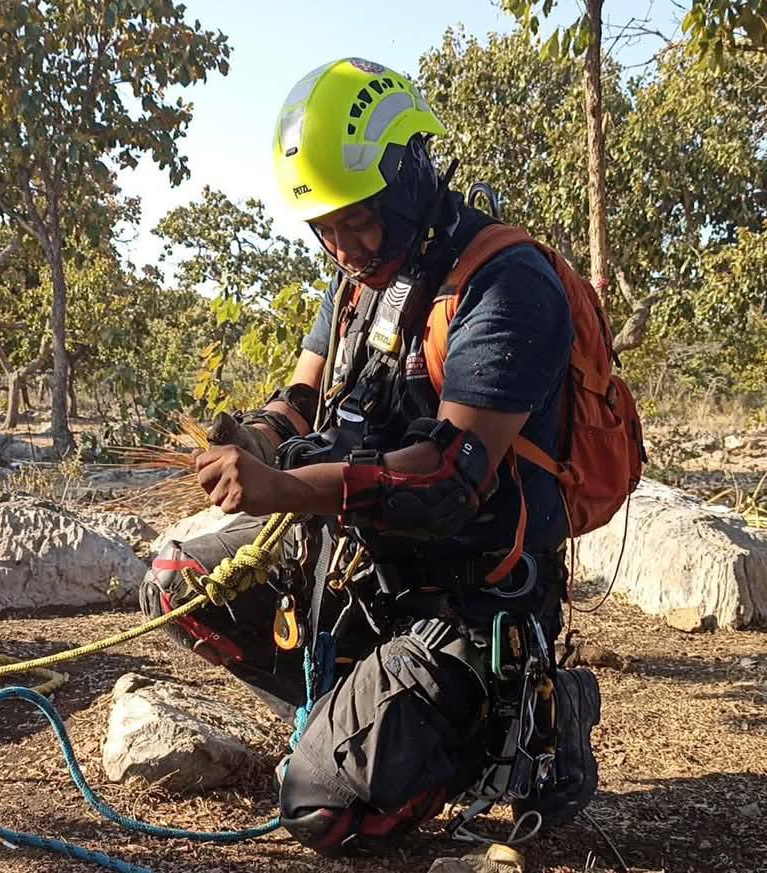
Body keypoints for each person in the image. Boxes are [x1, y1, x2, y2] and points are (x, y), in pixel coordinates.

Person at [139, 57, 601, 857]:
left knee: (321, 811)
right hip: (365, 572)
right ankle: (357, 716)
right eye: (325, 227)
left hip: (463, 604)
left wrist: (283, 487)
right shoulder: (357, 280)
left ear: (410, 174)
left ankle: (511, 725)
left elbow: (449, 475)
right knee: (176, 582)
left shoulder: (507, 285)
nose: (345, 245)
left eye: (359, 220)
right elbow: (300, 399)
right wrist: (253, 440)